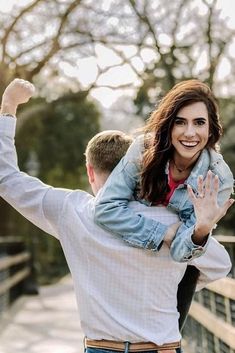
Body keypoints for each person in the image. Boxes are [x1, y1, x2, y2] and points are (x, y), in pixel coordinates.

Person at [0, 79, 232, 353]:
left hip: (101, 347)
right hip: (163, 347)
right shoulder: (177, 221)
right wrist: (169, 284)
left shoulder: (73, 211)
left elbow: (7, 179)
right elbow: (219, 266)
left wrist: (8, 108)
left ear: (90, 172)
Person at [94, 79, 234, 262]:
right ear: (168, 126)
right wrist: (165, 232)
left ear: (210, 130)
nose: (190, 133)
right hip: (127, 251)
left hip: (174, 270)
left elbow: (180, 252)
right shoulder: (143, 150)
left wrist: (201, 230)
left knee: (221, 263)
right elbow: (104, 208)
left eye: (199, 123)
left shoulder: (219, 180)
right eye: (180, 122)